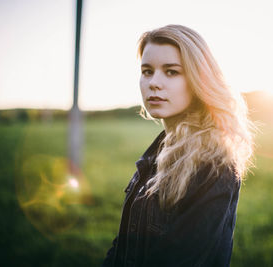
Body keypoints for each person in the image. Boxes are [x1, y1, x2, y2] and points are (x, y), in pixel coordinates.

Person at [102, 24, 254, 267]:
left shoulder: (213, 163)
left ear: (198, 79)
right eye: (147, 71)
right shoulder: (159, 150)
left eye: (171, 72)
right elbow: (124, 246)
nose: (154, 83)